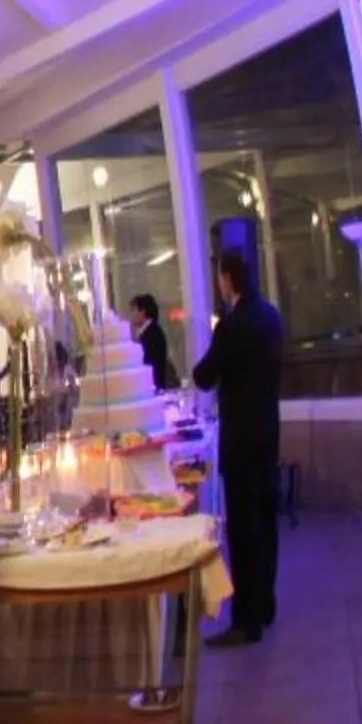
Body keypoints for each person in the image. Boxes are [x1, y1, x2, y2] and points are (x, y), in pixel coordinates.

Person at [194, 250, 286, 646]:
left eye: (220, 277)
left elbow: (203, 375)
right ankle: (265, 605)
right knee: (266, 523)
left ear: (228, 278)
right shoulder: (271, 317)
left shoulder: (233, 325)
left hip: (241, 437)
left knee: (245, 530)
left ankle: (245, 621)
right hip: (267, 432)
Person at [132, 293, 178, 391]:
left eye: (134, 311)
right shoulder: (149, 332)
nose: (132, 316)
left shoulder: (152, 334)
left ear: (142, 312)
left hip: (153, 387)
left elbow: (150, 363)